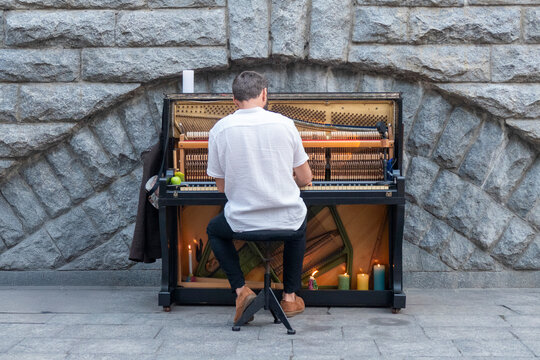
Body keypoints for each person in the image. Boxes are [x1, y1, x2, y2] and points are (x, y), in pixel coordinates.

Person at [206, 71, 312, 324]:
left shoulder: (219, 130)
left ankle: (242, 291)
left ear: (234, 99)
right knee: (299, 222)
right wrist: (287, 182)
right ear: (264, 95)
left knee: (214, 229)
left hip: (242, 221)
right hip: (287, 218)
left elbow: (221, 187)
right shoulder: (285, 124)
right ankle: (289, 297)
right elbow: (306, 178)